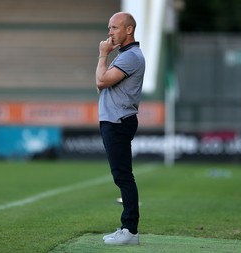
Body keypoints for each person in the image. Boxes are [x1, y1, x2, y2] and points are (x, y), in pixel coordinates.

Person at [95, 12, 145, 245]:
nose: (110, 32)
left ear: (129, 30)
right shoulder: (124, 55)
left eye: (114, 27)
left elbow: (101, 81)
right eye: (109, 27)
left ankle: (130, 231)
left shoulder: (131, 56)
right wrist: (106, 62)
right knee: (122, 176)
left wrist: (103, 56)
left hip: (118, 120)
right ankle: (128, 228)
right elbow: (102, 85)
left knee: (123, 176)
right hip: (114, 119)